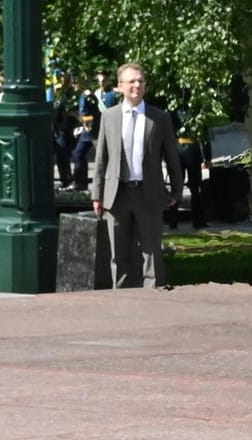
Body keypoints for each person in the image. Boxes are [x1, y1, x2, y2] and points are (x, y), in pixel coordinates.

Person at [89, 62, 183, 289]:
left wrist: (176, 190)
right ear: (120, 86)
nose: (137, 85)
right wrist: (97, 194)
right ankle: (122, 303)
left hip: (148, 193)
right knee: (118, 256)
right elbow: (101, 158)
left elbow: (172, 156)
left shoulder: (159, 118)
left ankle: (155, 300)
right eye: (132, 81)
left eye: (141, 81)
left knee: (152, 254)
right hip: (117, 194)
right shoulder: (109, 117)